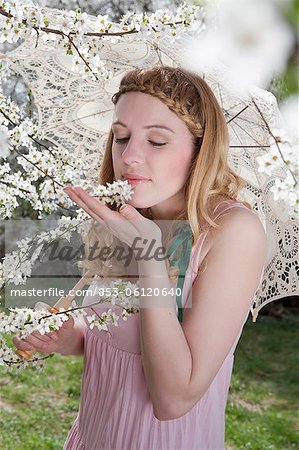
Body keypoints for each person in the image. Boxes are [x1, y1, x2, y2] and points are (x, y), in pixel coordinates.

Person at [14, 66, 267, 450]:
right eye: (121, 137)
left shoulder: (233, 232)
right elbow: (122, 339)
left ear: (200, 149)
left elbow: (173, 399)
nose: (129, 156)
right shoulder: (131, 215)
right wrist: (70, 337)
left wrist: (150, 258)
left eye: (157, 141)